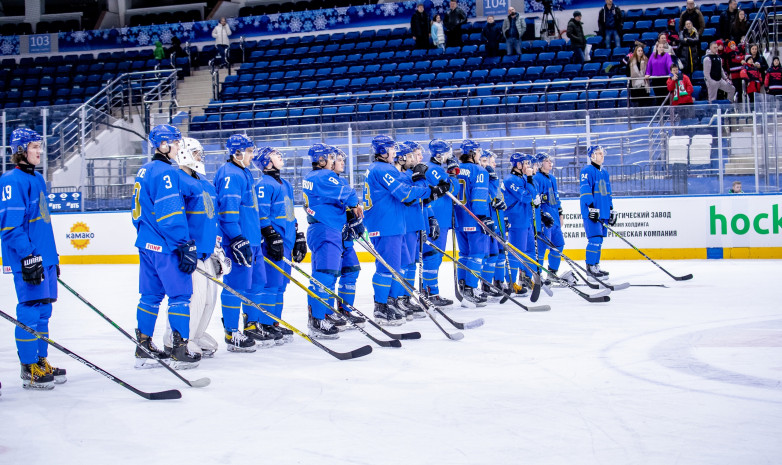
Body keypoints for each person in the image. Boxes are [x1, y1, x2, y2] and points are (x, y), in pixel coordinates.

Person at [131, 124, 201, 370]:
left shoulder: (144, 170)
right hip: (166, 246)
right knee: (180, 296)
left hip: (146, 243)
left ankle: (143, 345)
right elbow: (170, 214)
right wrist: (183, 244)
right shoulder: (166, 173)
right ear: (163, 144)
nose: (179, 146)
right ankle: (179, 349)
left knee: (150, 296)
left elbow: (138, 214)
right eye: (175, 142)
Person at [0, 128, 65, 390]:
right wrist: (28, 256)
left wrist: (52, 256)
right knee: (29, 309)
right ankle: (28, 367)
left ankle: (41, 360)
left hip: (44, 257)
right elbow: (10, 227)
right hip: (28, 258)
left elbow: (42, 224)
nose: (40, 151)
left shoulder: (37, 178)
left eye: (40, 146)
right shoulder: (11, 180)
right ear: (20, 151)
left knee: (44, 312)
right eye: (34, 146)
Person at [363, 135, 449, 322]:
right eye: (392, 149)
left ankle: (392, 301)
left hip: (391, 223)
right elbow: (406, 194)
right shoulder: (383, 169)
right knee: (387, 268)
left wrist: (426, 191)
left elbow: (408, 194)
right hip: (386, 224)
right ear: (383, 151)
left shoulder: (380, 168)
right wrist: (427, 189)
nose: (395, 152)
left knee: (395, 266)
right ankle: (381, 306)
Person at [162, 137, 225, 358]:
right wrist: (181, 246)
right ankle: (176, 339)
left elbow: (212, 218)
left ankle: (196, 335)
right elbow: (174, 217)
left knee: (208, 300)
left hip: (207, 251)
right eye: (197, 153)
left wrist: (218, 249)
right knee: (192, 299)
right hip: (190, 251)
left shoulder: (206, 183)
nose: (200, 157)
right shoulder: (177, 179)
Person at [303, 144, 364, 336]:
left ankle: (330, 313)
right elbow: (348, 195)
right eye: (332, 157)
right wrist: (354, 206)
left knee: (342, 271)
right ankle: (318, 318)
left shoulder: (323, 178)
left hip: (333, 229)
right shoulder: (321, 176)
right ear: (322, 160)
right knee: (325, 274)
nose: (336, 160)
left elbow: (335, 201)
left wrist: (349, 217)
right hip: (325, 228)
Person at [214, 134, 268, 352]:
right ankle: (231, 332)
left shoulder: (244, 172)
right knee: (236, 286)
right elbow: (228, 211)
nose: (252, 155)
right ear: (237, 153)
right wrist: (236, 237)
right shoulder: (230, 174)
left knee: (257, 283)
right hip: (238, 241)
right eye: (249, 151)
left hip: (252, 240)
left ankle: (252, 325)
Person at [254, 146, 300, 344]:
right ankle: (263, 323)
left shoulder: (285, 184)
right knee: (271, 284)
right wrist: (271, 235)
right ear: (266, 162)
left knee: (281, 286)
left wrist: (298, 236)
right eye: (275, 154)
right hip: (273, 242)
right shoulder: (263, 184)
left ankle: (274, 322)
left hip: (287, 242)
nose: (280, 156)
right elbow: (261, 214)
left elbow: (290, 211)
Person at [388, 141, 434, 319]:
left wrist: (429, 218)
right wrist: (421, 181)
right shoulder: (399, 176)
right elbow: (410, 197)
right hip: (405, 224)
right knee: (404, 264)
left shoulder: (410, 174)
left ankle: (406, 297)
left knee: (411, 263)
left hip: (415, 223)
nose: (419, 158)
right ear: (403, 157)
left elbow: (425, 197)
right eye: (414, 155)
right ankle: (398, 298)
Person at [330, 146, 366, 327]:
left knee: (351, 270)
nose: (342, 162)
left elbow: (348, 205)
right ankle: (328, 313)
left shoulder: (341, 181)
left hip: (346, 239)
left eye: (343, 160)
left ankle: (344, 309)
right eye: (338, 159)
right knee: (330, 274)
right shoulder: (325, 182)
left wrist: (353, 218)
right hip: (333, 236)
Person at [454, 140, 492, 307]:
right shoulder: (479, 170)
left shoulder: (454, 170)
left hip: (458, 219)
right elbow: (478, 197)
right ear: (472, 153)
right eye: (478, 152)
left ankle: (463, 286)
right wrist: (483, 217)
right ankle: (471, 288)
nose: (480, 155)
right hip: (474, 219)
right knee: (476, 255)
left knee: (464, 254)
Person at [421, 139, 458, 306]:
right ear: (439, 154)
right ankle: (431, 293)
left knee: (435, 257)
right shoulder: (434, 170)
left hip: (440, 218)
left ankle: (428, 291)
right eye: (447, 152)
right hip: (436, 218)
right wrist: (452, 173)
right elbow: (453, 189)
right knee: (433, 257)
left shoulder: (435, 169)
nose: (449, 156)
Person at [501, 152, 539, 295]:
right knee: (515, 253)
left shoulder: (522, 178)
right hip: (516, 219)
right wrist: (529, 178)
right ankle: (511, 282)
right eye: (526, 163)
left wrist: (529, 178)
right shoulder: (510, 179)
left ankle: (525, 278)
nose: (528, 166)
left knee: (529, 251)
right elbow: (526, 197)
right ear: (518, 165)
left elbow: (534, 194)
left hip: (526, 219)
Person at [579, 145, 615, 279]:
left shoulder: (604, 172)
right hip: (592, 211)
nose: (602, 155)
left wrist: (611, 209)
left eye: (602, 153)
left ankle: (596, 265)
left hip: (603, 211)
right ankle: (590, 268)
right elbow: (585, 189)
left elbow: (608, 192)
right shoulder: (587, 170)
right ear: (592, 156)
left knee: (599, 240)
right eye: (599, 153)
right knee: (594, 239)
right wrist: (591, 207)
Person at [477, 150, 505, 300]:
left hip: (495, 220)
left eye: (492, 161)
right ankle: (483, 285)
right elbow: (485, 197)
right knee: (486, 255)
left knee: (494, 254)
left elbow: (498, 196)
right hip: (484, 221)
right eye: (488, 161)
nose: (492, 164)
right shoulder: (480, 177)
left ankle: (491, 284)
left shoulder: (493, 177)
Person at [533, 152, 565, 279]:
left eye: (550, 160)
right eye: (546, 161)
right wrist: (540, 216)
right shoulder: (536, 178)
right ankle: (538, 274)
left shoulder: (552, 178)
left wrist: (560, 214)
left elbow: (556, 198)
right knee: (541, 249)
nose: (550, 162)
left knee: (559, 245)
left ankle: (552, 272)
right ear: (540, 164)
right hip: (544, 220)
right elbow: (535, 200)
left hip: (555, 219)